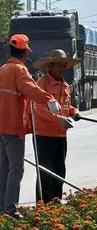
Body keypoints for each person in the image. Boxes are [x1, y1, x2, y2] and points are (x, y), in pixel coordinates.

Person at [0, 35, 61, 219]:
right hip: (13, 127)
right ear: (25, 52)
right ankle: (10, 210)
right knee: (16, 168)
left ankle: (2, 207)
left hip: (1, 128)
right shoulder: (19, 70)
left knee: (3, 168)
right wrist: (49, 99)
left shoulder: (2, 69)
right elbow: (31, 89)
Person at [32, 50, 81, 203]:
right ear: (51, 66)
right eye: (59, 65)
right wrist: (58, 119)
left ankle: (55, 202)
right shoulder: (42, 85)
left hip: (60, 135)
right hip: (43, 135)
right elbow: (38, 108)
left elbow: (66, 106)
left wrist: (75, 112)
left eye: (64, 65)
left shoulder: (65, 86)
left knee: (59, 170)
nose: (62, 68)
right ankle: (43, 205)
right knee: (45, 172)